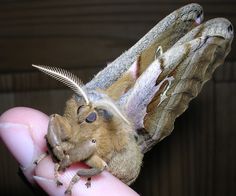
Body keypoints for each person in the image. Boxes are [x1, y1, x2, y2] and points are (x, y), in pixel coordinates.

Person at [0, 107, 138, 196]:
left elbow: (100, 165)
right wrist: (54, 150)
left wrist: (77, 174)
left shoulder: (97, 140)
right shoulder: (76, 131)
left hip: (121, 163)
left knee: (93, 150)